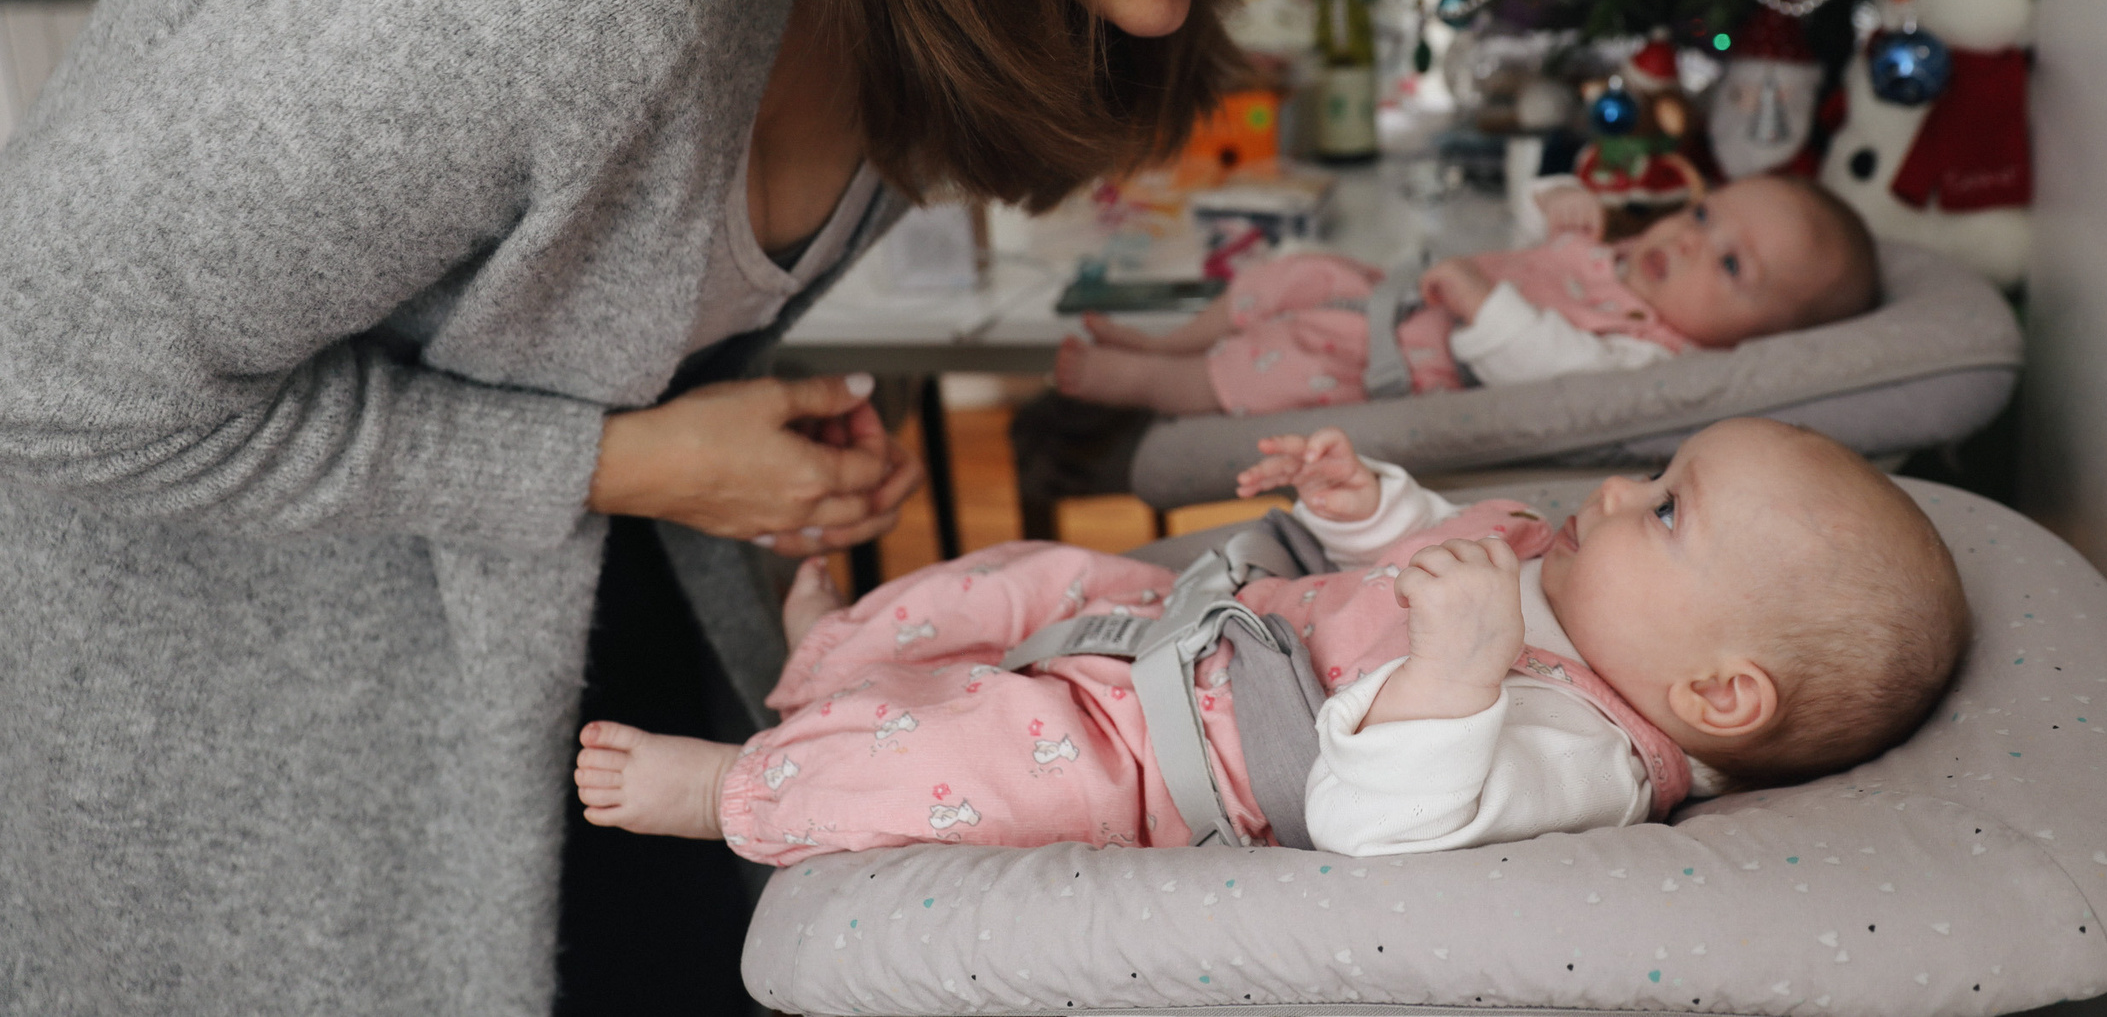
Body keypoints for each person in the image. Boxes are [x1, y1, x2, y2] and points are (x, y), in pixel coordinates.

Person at [0, 0, 1389, 1017]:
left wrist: (705, 436)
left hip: (519, 609)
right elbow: (47, 365)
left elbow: (569, 289)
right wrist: (633, 456)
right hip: (223, 667)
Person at [573, 418, 1966, 860]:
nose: (1616, 491)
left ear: (1717, 691)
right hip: (1199, 623)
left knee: (980, 751)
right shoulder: (1568, 575)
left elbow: (1388, 814)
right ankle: (831, 656)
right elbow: (1421, 552)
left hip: (1170, 757)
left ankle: (742, 786)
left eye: (1665, 510)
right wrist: (1369, 512)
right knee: (1027, 575)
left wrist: (1463, 669)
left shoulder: (1588, 748)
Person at [1056, 172, 1879, 415]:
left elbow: (1563, 368)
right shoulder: (1626, 255)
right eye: (1704, 214)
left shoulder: (1649, 348)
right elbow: (1539, 232)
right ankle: (1169, 339)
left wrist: (1488, 306)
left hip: (1405, 358)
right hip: (1397, 295)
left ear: (1757, 336)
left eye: (1731, 266)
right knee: (1294, 271)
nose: (1691, 239)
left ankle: (1147, 381)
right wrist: (1561, 200)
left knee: (1285, 359)